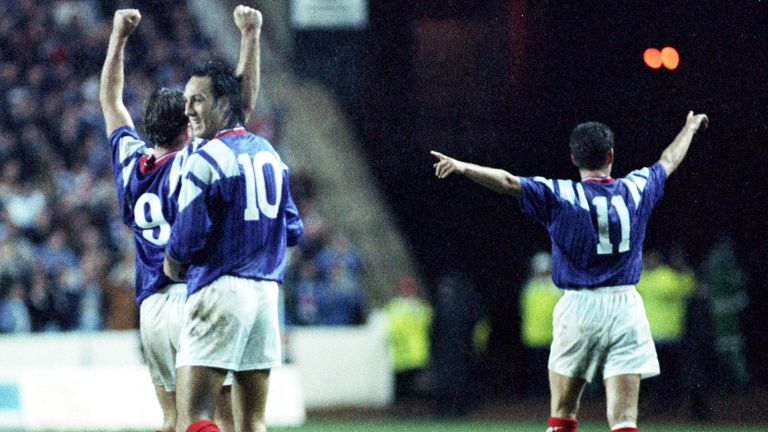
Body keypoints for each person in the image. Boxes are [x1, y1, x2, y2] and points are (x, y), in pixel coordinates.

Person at [431, 111, 708, 432]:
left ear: (573, 158)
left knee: (562, 414)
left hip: (579, 307)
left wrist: (464, 167)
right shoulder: (636, 188)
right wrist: (688, 128)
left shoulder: (562, 195)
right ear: (611, 156)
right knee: (624, 420)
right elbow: (669, 160)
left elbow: (507, 181)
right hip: (626, 307)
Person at [99, 6, 262, 432]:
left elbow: (110, 100)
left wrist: (118, 38)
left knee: (172, 418)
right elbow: (238, 108)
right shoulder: (192, 160)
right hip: (192, 296)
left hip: (150, 307)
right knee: (219, 419)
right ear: (188, 128)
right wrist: (249, 38)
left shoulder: (130, 162)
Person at [163, 61, 303, 432]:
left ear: (224, 102)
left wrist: (172, 263)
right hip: (265, 295)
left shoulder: (208, 157)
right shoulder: (270, 153)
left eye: (197, 100)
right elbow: (293, 228)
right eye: (186, 101)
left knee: (194, 418)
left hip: (220, 290)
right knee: (252, 421)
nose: (188, 110)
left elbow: (187, 235)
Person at [519, 251, 561, 397]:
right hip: (532, 337)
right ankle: (534, 399)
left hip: (552, 337)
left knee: (553, 372)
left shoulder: (557, 288)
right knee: (534, 372)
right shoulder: (529, 287)